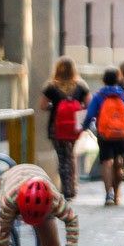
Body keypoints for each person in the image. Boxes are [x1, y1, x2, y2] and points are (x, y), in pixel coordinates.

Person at [82, 68, 124, 205]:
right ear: (118, 80)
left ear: (103, 80)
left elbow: (90, 115)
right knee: (118, 162)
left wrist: (84, 126)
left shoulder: (99, 96)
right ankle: (117, 193)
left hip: (105, 135)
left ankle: (109, 194)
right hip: (123, 136)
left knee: (107, 162)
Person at [40, 57, 90, 199]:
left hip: (56, 128)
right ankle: (72, 187)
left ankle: (65, 188)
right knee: (71, 155)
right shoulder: (80, 86)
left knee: (62, 158)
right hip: (74, 127)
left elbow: (43, 106)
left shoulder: (51, 86)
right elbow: (88, 104)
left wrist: (54, 107)